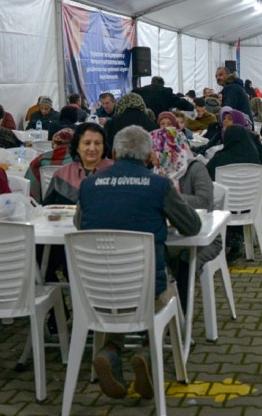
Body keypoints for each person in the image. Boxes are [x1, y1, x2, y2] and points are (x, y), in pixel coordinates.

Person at [74, 125, 201, 401]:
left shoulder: (89, 185)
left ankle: (111, 350)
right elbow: (192, 226)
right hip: (146, 289)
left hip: (97, 289)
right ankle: (146, 352)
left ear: (113, 152)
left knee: (120, 296)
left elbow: (79, 225)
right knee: (162, 294)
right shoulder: (159, 186)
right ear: (148, 156)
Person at [151, 127, 222, 315]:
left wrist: (170, 198)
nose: (152, 156)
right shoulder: (156, 172)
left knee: (185, 263)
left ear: (168, 150)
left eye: (156, 150)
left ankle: (182, 319)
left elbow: (204, 202)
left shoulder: (195, 169)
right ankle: (163, 314)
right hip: (170, 237)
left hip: (203, 238)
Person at [43, 122, 113, 205]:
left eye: (97, 143)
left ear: (104, 146)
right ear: (77, 147)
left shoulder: (115, 173)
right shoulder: (61, 174)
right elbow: (46, 208)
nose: (92, 148)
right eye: (87, 143)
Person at [25, 127, 75, 202]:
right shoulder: (79, 160)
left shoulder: (39, 160)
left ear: (53, 143)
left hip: (46, 202)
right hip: (73, 201)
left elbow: (31, 186)